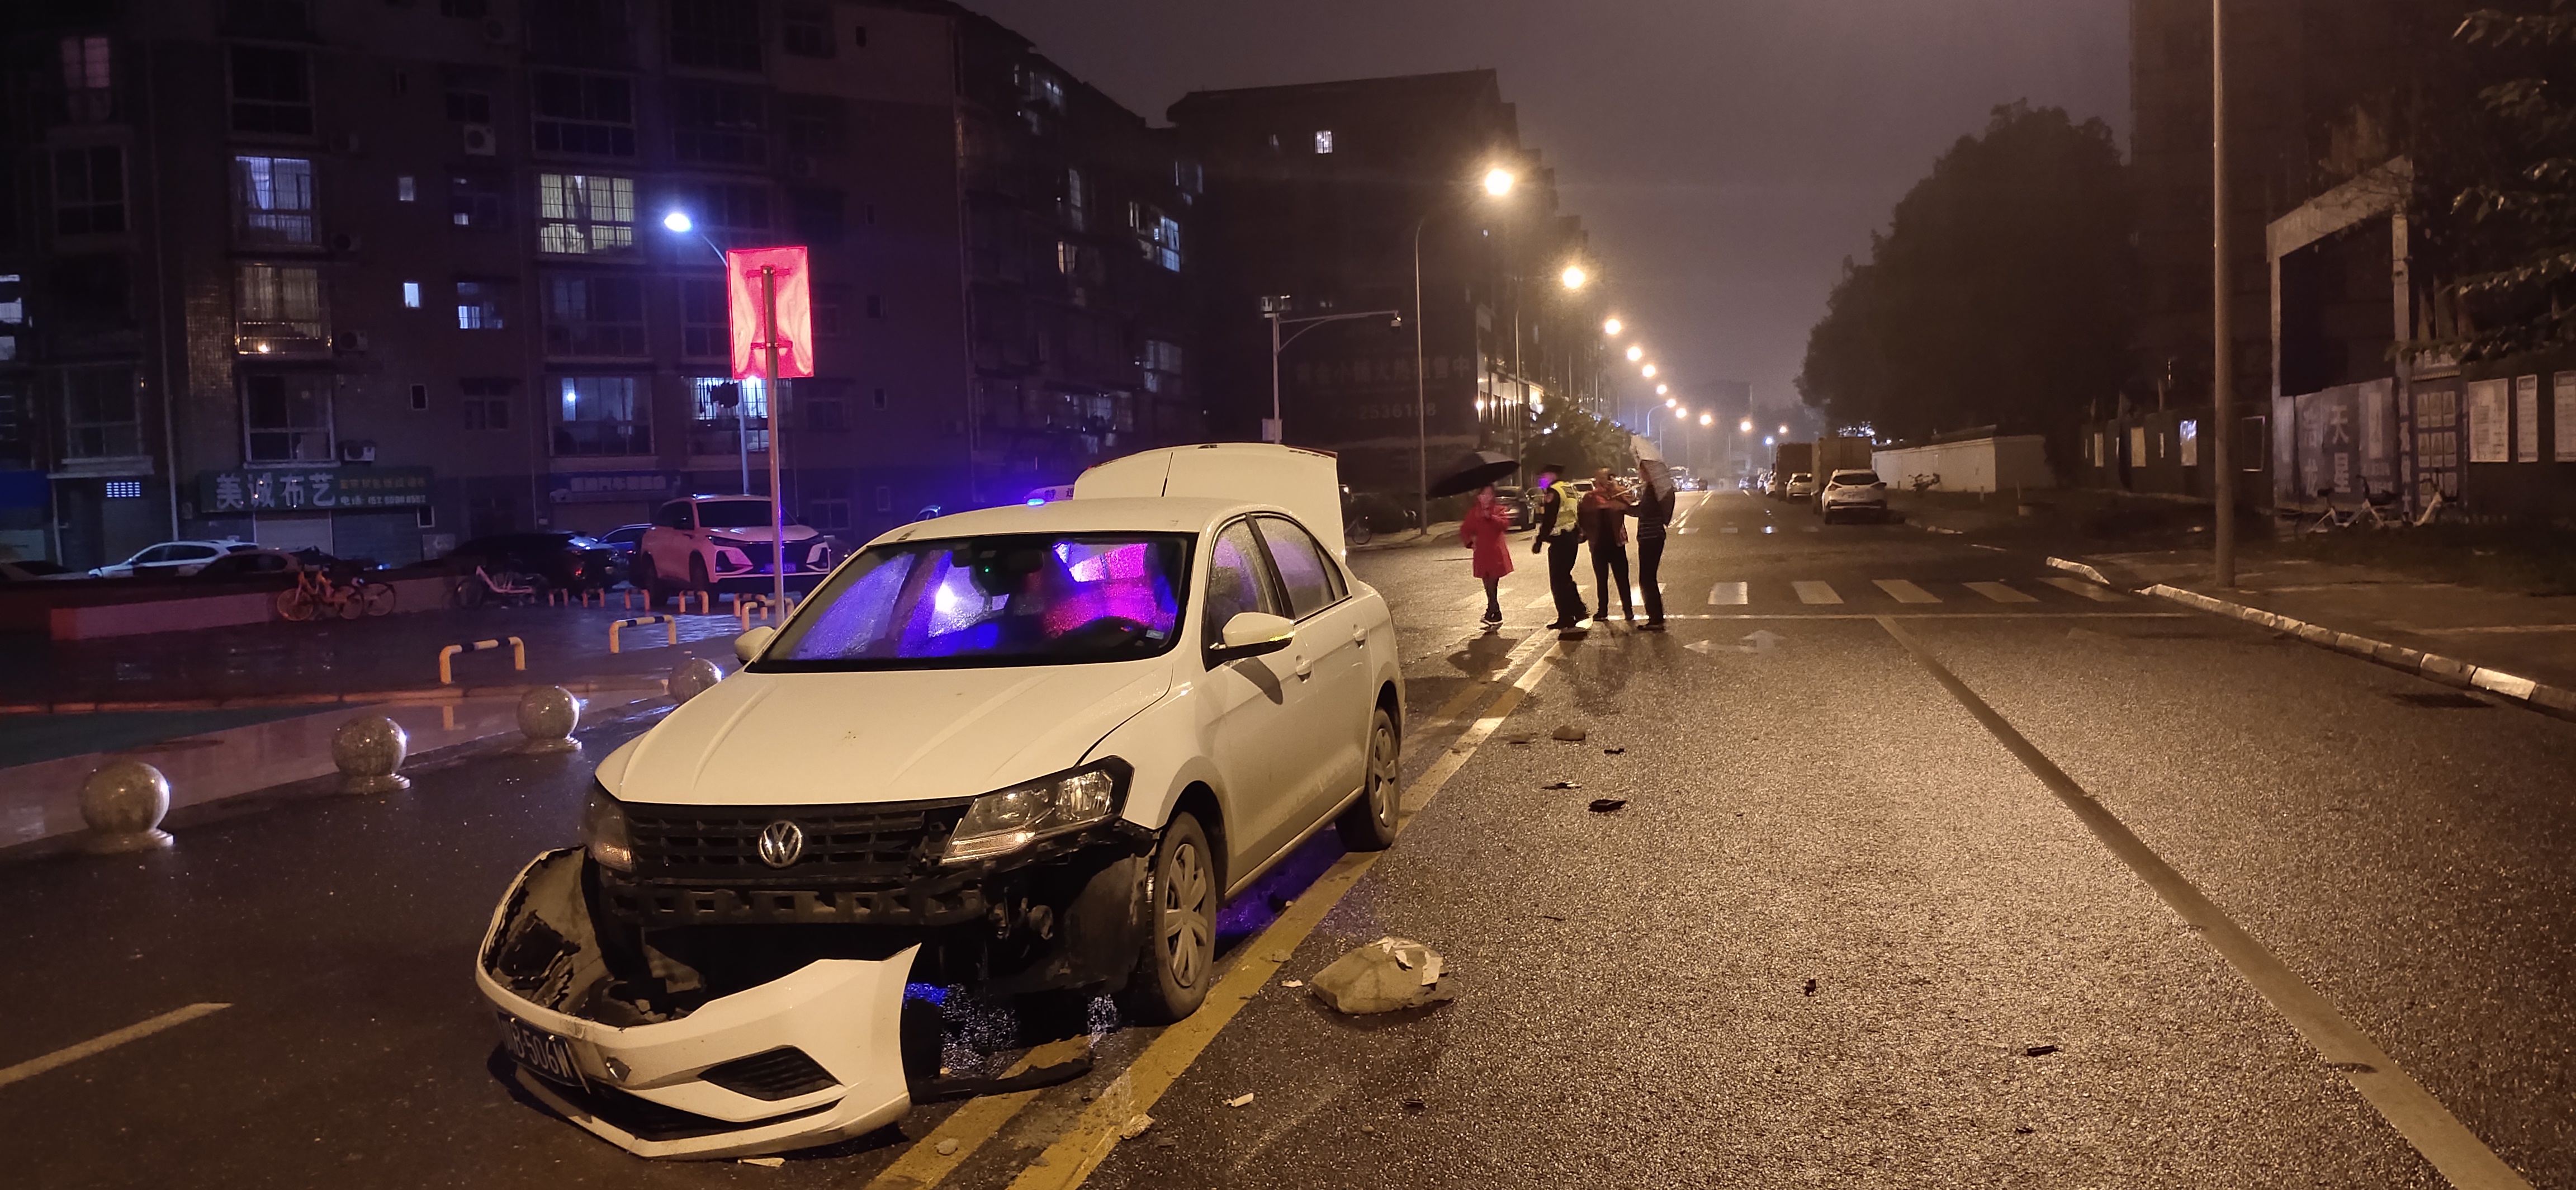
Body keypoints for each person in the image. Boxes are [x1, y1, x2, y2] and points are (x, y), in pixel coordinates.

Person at [1527, 465, 1585, 631]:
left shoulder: (1553, 492)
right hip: (1572, 537)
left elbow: (1550, 518)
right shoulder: (1570, 488)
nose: (1542, 479)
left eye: (1543, 476)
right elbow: (1579, 512)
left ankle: (1565, 617)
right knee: (1565, 577)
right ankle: (1579, 610)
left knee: (1558, 581)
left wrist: (1539, 540)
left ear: (1552, 475)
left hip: (1560, 540)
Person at [1579, 468, 1635, 623]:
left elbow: (1631, 508)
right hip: (1598, 544)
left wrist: (1617, 494)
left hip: (1617, 543)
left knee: (1622, 578)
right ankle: (1602, 610)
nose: (1609, 481)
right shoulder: (1591, 497)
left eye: (1612, 478)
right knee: (1601, 579)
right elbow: (1584, 514)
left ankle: (1628, 610)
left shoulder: (1619, 494)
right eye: (1606, 478)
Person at [1628, 455, 1677, 631]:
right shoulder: (1651, 489)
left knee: (1647, 579)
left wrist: (1624, 507)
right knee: (1648, 578)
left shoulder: (1653, 490)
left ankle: (1655, 619)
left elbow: (1644, 511)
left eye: (1641, 469)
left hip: (1651, 536)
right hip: (1652, 536)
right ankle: (1656, 617)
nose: (1639, 472)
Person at [1459, 484, 1514, 626]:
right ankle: (1493, 612)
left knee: (1492, 583)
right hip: (1482, 553)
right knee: (1487, 583)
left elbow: (1505, 525)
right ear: (1479, 497)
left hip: (1495, 553)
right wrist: (1470, 543)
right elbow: (1465, 530)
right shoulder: (1474, 513)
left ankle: (1493, 612)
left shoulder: (1498, 510)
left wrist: (1491, 517)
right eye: (1484, 495)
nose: (1487, 498)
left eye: (1490, 495)